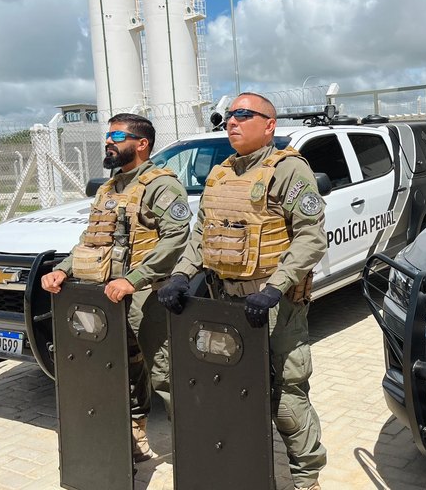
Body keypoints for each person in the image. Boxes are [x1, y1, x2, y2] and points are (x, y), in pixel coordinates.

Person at [158, 92, 327, 490]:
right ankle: (239, 468)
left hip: (274, 305)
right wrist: (181, 275)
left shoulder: (289, 170)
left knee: (286, 393)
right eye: (229, 116)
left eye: (243, 115)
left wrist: (275, 288)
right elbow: (202, 235)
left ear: (269, 125)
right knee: (230, 387)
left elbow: (311, 238)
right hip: (224, 304)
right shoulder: (220, 173)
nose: (232, 121)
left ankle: (306, 479)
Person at [41, 113, 191, 463]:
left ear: (141, 144)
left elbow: (176, 238)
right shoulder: (109, 188)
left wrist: (133, 280)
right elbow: (91, 240)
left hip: (146, 295)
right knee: (124, 366)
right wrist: (63, 270)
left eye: (118, 136)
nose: (109, 142)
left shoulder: (161, 185)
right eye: (108, 136)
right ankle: (134, 435)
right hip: (105, 297)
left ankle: (192, 447)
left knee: (163, 371)